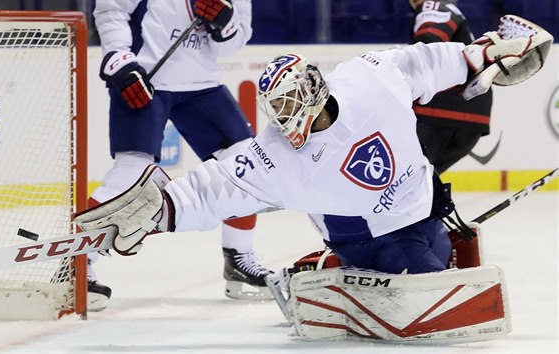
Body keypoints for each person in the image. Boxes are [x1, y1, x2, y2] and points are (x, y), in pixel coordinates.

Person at [76, 14, 550, 281]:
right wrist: (158, 211)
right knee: (428, 284)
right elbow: (211, 189)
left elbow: (429, 62)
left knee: (441, 254)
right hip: (372, 244)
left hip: (427, 212)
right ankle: (341, 268)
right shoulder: (274, 155)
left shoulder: (368, 78)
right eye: (275, 107)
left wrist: (484, 54)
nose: (283, 116)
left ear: (315, 89)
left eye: (288, 102)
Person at [86, 0, 273, 310]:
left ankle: (238, 259)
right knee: (132, 172)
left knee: (245, 164)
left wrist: (224, 23)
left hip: (203, 85)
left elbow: (234, 42)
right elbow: (111, 8)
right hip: (145, 79)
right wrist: (118, 56)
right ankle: (76, 264)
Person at [409, 0, 494, 175]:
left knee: (403, 179)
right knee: (423, 181)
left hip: (437, 114)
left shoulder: (433, 7)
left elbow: (426, 45)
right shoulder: (457, 15)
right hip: (474, 120)